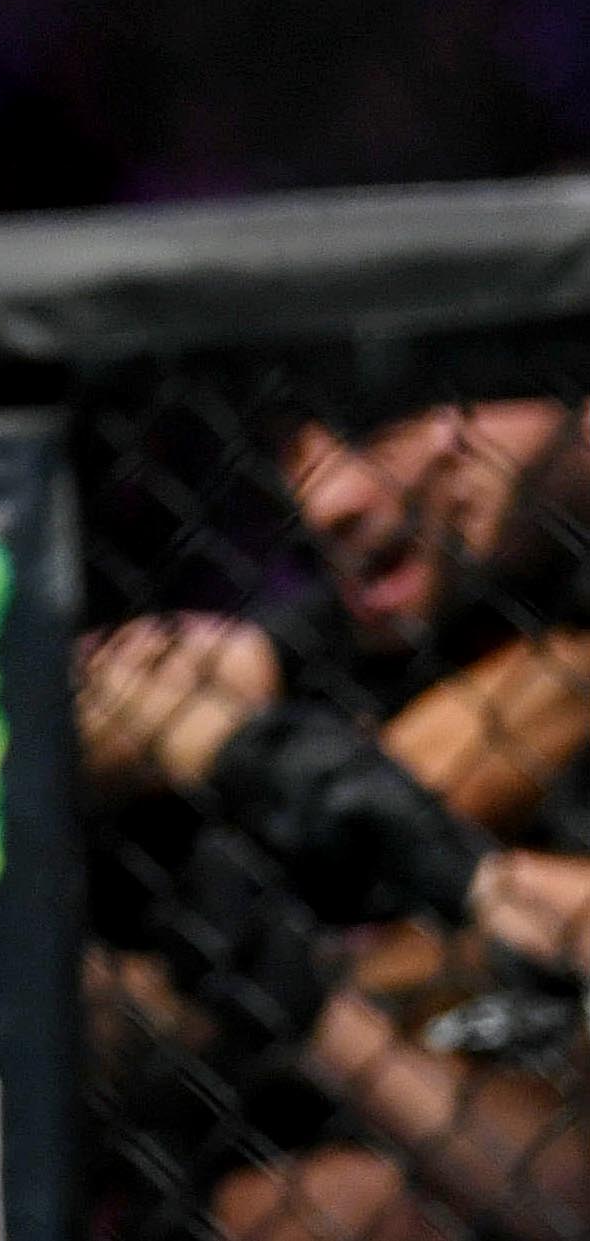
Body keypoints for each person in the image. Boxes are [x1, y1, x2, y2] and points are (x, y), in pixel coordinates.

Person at [73, 394, 590, 1241]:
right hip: (299, 1088)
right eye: (294, 450)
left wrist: (253, 759)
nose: (324, 500)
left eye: (383, 423)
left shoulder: (555, 658)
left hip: (481, 1122)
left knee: (357, 1207)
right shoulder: (346, 640)